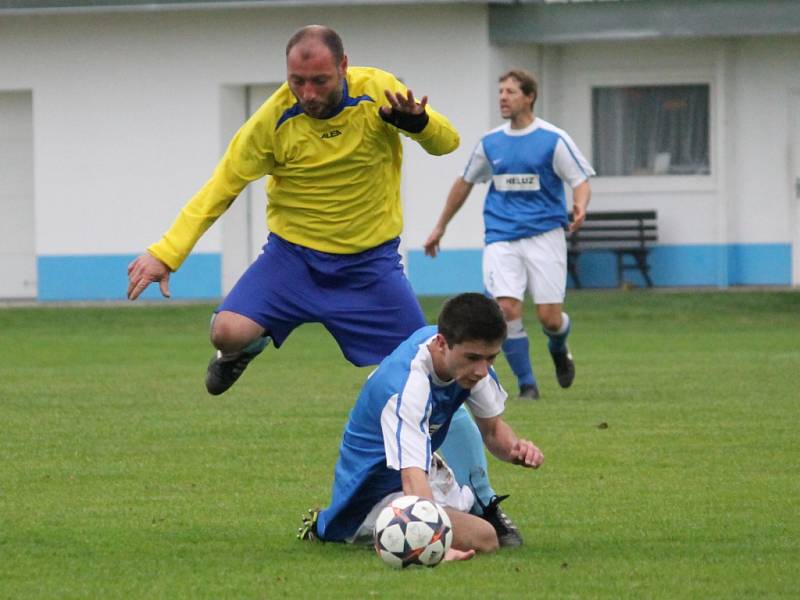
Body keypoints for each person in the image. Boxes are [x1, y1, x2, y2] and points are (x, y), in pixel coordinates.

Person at [126, 26, 523, 543]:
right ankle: (247, 348)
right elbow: (222, 185)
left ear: (343, 66)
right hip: (292, 262)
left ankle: (486, 504)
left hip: (370, 270)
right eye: (297, 82)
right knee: (226, 331)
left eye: (318, 80)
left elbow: (447, 143)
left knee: (448, 376)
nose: (307, 94)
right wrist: (167, 252)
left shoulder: (377, 93)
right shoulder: (273, 119)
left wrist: (419, 125)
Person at [298, 293, 544, 561]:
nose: (482, 370)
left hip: (418, 474)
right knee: (485, 537)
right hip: (370, 495)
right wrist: (434, 545)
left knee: (474, 521)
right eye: (474, 358)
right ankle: (348, 528)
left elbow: (494, 430)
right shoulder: (407, 386)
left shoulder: (467, 354)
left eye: (491, 358)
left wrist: (516, 450)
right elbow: (411, 476)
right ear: (441, 343)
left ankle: (454, 512)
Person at [424, 69, 594, 401]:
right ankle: (527, 384)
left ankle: (558, 346)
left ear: (529, 96)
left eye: (511, 91)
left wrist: (581, 206)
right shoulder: (491, 143)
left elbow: (580, 179)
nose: (503, 97)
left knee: (549, 317)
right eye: (500, 91)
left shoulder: (552, 139)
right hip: (501, 236)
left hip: (545, 235)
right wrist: (440, 225)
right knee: (506, 309)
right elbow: (465, 182)